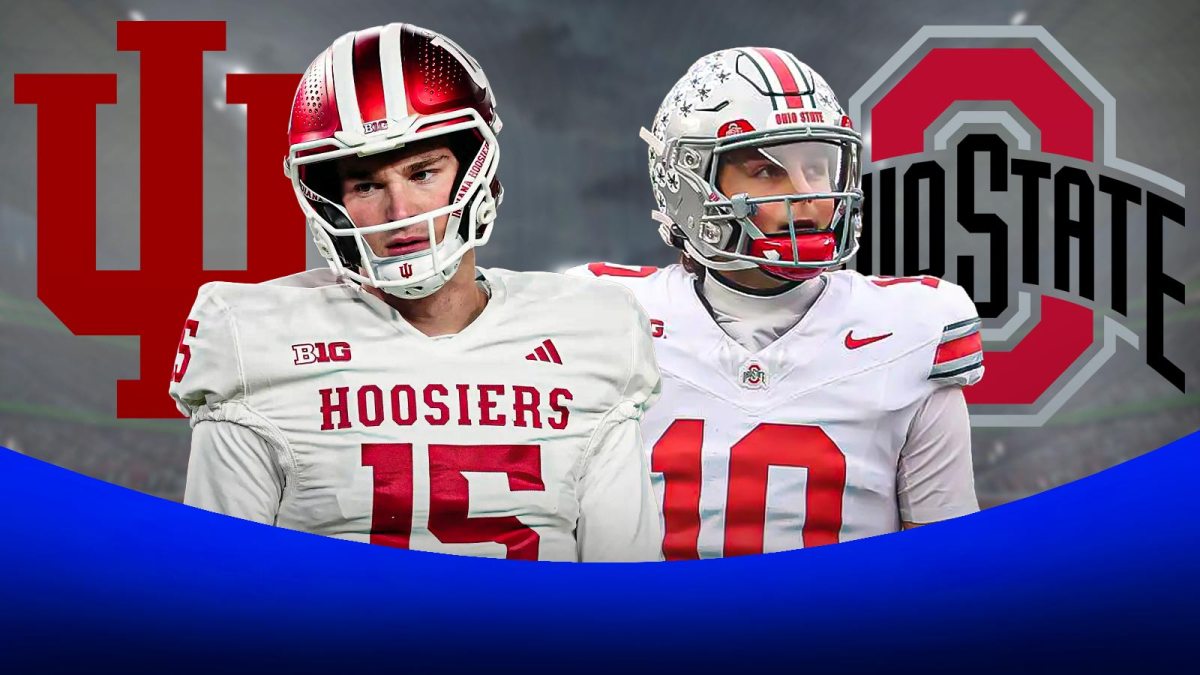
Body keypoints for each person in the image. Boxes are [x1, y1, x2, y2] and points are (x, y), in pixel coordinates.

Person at [169, 23, 661, 562]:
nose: (399, 213)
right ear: (328, 202)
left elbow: (625, 590)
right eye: (366, 185)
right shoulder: (253, 338)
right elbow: (217, 586)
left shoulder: (592, 330)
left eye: (422, 173)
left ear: (477, 174)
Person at [570, 48, 983, 559]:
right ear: (689, 187)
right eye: (768, 172)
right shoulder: (599, 321)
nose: (808, 195)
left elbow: (946, 567)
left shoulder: (912, 333)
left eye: (817, 165)